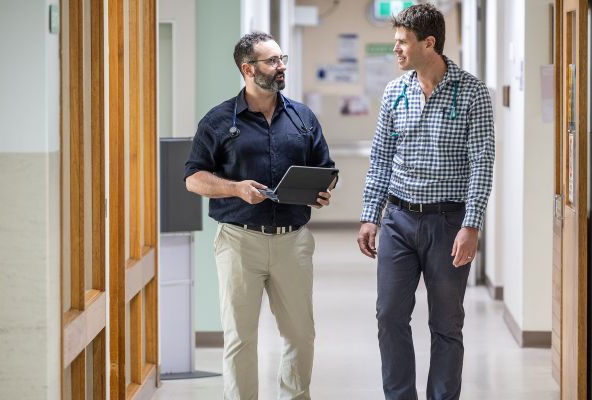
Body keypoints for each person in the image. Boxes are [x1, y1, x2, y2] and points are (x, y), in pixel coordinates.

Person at [184, 32, 335, 400]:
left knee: (300, 334)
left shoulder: (303, 118)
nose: (281, 66)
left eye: (282, 58)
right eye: (272, 61)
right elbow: (193, 178)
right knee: (240, 338)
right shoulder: (218, 121)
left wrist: (321, 192)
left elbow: (324, 167)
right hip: (239, 241)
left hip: (293, 241)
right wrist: (236, 188)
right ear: (247, 69)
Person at [357, 4, 494, 400]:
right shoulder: (395, 92)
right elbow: (381, 157)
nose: (395, 49)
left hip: (448, 223)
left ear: (428, 43)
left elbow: (481, 163)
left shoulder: (471, 92)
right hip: (398, 219)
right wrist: (371, 216)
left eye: (402, 42)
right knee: (389, 317)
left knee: (447, 324)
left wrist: (471, 225)